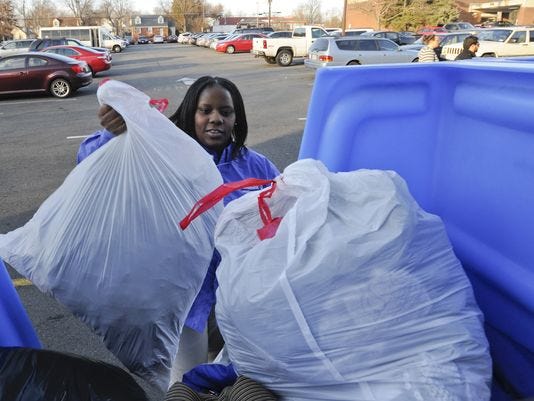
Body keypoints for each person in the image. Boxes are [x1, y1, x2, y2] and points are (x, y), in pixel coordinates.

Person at [77, 76, 280, 386]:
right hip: (187, 304)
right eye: (206, 110)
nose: (216, 118)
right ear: (190, 114)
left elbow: (288, 212)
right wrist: (113, 133)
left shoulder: (256, 166)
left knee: (247, 380)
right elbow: (90, 161)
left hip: (243, 296)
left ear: (236, 118)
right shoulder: (164, 158)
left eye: (225, 112)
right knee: (186, 385)